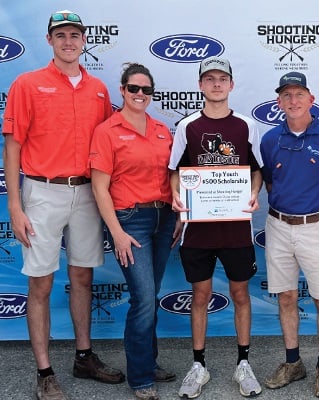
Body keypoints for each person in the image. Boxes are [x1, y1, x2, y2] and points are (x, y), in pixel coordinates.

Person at [2, 9, 125, 400]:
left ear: (84, 40)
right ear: (50, 40)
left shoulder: (99, 89)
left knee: (83, 278)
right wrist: (14, 205)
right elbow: (12, 145)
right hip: (42, 192)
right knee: (40, 282)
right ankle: (44, 371)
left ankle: (84, 357)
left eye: (75, 35)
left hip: (87, 193)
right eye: (61, 35)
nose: (69, 41)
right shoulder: (27, 84)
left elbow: (109, 144)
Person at [168, 56, 263, 399]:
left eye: (223, 78)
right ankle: (198, 365)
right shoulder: (187, 126)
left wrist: (253, 193)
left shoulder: (245, 125)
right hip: (199, 229)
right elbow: (175, 169)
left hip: (236, 227)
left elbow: (256, 169)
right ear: (201, 85)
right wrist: (178, 198)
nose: (217, 84)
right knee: (200, 296)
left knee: (240, 294)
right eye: (210, 79)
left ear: (232, 84)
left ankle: (244, 363)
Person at [90, 63, 178, 400]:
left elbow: (172, 178)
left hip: (164, 217)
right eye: (133, 88)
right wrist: (116, 232)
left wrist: (180, 216)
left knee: (150, 296)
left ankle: (149, 362)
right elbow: (100, 188)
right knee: (143, 298)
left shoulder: (161, 129)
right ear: (123, 90)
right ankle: (140, 377)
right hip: (130, 221)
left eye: (146, 90)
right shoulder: (107, 131)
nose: (140, 95)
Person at [260, 72, 319, 398]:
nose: (293, 101)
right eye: (287, 95)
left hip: (317, 227)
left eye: (299, 94)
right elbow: (271, 183)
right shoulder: (270, 140)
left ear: (311, 100)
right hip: (279, 226)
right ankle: (293, 362)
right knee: (286, 297)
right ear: (278, 102)